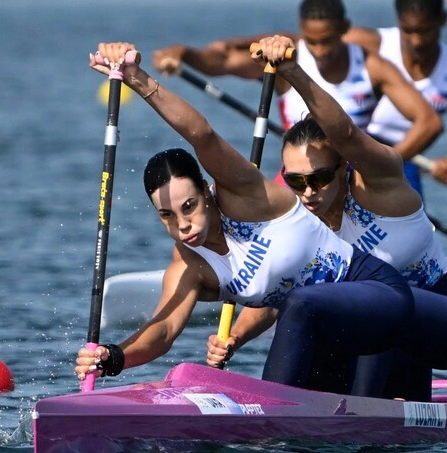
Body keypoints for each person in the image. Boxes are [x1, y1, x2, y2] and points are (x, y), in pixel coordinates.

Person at [75, 42, 426, 393]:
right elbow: (163, 330)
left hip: (379, 295)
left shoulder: (243, 196)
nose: (182, 224)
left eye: (189, 206)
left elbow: (202, 134)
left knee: (300, 305)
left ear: (208, 190)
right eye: (167, 215)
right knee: (316, 425)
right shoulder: (190, 264)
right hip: (324, 330)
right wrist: (112, 357)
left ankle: (268, 425)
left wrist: (138, 79)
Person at [206, 36, 447, 401]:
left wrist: (291, 70)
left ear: (344, 168)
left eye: (320, 177)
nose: (309, 192)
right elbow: (277, 296)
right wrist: (233, 340)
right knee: (318, 311)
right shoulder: (301, 221)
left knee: (370, 301)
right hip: (386, 343)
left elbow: (346, 132)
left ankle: (307, 416)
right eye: (296, 181)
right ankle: (306, 421)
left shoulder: (380, 186)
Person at [152, 0, 443, 189]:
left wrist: (379, 165)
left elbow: (428, 122)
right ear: (303, 33)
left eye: (328, 41)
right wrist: (184, 53)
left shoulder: (372, 66)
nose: (320, 52)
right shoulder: (286, 60)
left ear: (344, 29)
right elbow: (222, 62)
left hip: (354, 178)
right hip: (298, 178)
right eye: (312, 42)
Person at [343, 0, 447, 188]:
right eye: (408, 31)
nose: (416, 41)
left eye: (425, 30)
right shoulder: (363, 42)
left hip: (406, 160)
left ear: (443, 20)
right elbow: (310, 47)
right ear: (398, 21)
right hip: (354, 149)